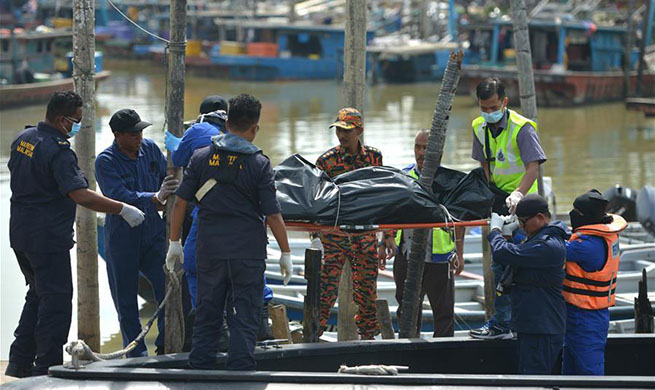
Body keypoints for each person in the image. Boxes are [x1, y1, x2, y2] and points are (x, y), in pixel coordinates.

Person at [6, 91, 145, 378]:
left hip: (20, 233)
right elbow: (81, 195)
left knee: (37, 295)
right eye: (76, 121)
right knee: (56, 302)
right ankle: (46, 368)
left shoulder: (24, 139)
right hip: (46, 238)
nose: (78, 126)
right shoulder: (57, 151)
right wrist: (122, 209)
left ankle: (19, 362)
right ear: (61, 120)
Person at [166, 93, 292, 371]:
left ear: (227, 123)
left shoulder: (201, 158)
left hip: (209, 250)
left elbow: (180, 202)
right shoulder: (259, 164)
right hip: (247, 253)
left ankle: (200, 370)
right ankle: (241, 374)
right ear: (254, 128)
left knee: (207, 314)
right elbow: (272, 214)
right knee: (244, 316)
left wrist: (175, 242)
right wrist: (285, 252)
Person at [95, 109, 179, 357]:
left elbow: (168, 178)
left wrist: (168, 196)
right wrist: (154, 198)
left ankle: (167, 344)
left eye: (141, 131)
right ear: (117, 135)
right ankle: (135, 353)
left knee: (170, 290)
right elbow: (119, 195)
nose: (139, 136)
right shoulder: (105, 161)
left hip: (153, 234)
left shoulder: (151, 149)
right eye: (133, 133)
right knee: (126, 301)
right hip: (123, 237)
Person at [469, 77, 547, 340]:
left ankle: (517, 323)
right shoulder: (479, 127)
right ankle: (503, 323)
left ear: (504, 102)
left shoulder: (522, 128)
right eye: (484, 108)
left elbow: (533, 168)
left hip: (524, 203)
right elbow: (485, 167)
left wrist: (518, 194)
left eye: (493, 107)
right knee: (500, 268)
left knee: (522, 267)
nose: (488, 113)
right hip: (498, 202)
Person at [313, 107, 396, 340]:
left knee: (367, 295)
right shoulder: (326, 161)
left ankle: (368, 341)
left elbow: (385, 196)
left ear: (359, 130)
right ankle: (312, 337)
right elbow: (315, 201)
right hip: (335, 237)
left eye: (347, 130)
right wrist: (316, 237)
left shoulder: (373, 158)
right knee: (324, 293)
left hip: (365, 236)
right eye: (339, 130)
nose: (342, 135)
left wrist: (388, 234)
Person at [393, 129, 465, 337]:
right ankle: (408, 352)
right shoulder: (404, 177)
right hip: (406, 255)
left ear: (438, 151)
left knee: (443, 314)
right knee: (407, 311)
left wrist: (459, 253)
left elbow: (461, 221)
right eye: (418, 147)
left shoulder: (450, 182)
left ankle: (444, 360)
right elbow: (392, 212)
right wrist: (386, 239)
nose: (421, 152)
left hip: (440, 259)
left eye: (426, 147)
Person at [487, 194, 567, 375]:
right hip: (532, 324)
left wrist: (495, 232)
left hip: (542, 327)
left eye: (523, 223)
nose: (522, 228)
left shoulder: (548, 246)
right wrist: (507, 233)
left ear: (540, 217)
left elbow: (505, 253)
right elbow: (513, 256)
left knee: (534, 379)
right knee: (527, 376)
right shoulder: (538, 238)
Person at [165, 95, 229, 307]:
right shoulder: (238, 134)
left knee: (193, 267)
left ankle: (203, 319)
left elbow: (178, 160)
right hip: (242, 214)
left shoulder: (197, 131)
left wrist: (178, 145)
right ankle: (260, 323)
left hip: (206, 210)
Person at [562, 190, 627, 375]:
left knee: (589, 371)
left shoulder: (588, 246)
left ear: (586, 216)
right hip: (581, 313)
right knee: (571, 370)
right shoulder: (604, 236)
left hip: (586, 317)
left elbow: (553, 249)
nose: (572, 215)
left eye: (577, 212)